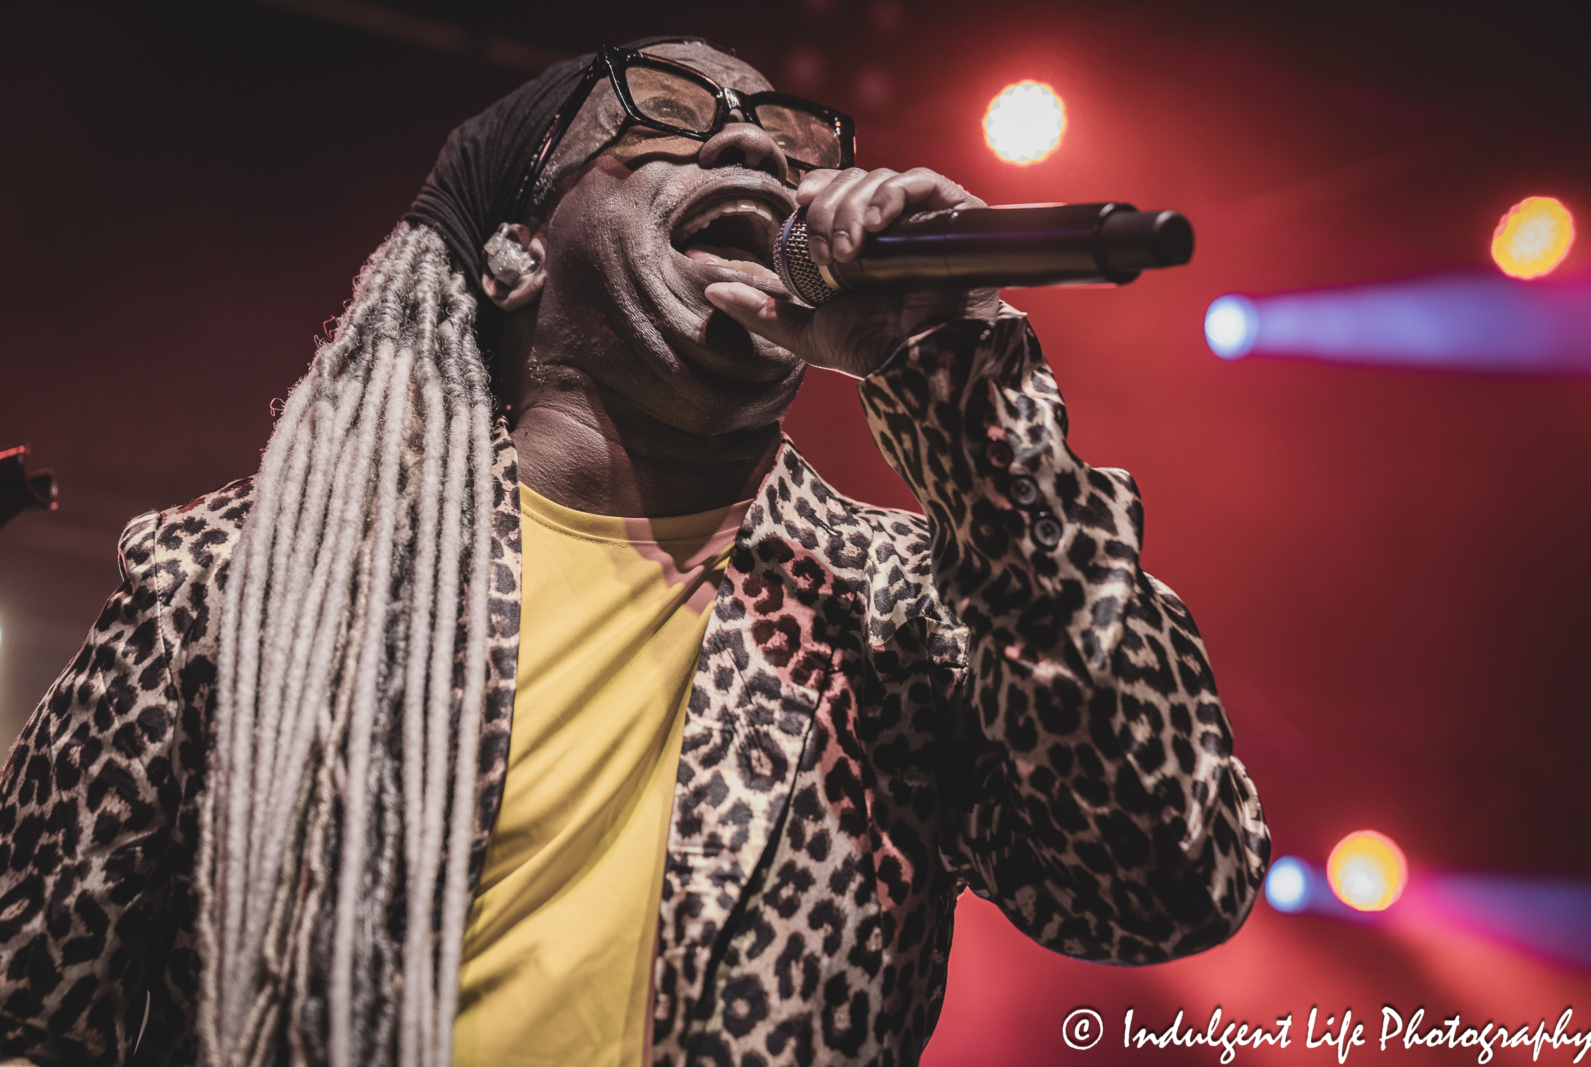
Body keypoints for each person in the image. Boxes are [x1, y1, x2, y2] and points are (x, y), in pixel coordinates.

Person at [0, 35, 1269, 1067]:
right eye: (658, 114)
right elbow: (31, 1010)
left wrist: (960, 373)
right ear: (515, 251)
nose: (744, 141)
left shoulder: (896, 607)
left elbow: (1161, 877)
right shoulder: (244, 582)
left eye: (784, 136)